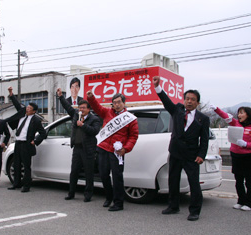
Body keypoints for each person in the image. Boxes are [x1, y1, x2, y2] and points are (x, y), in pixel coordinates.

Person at [152, 76, 210, 221]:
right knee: (173, 180)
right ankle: (173, 206)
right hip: (175, 152)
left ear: (197, 102)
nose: (189, 101)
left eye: (192, 99)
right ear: (184, 100)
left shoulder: (203, 118)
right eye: (187, 98)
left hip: (191, 155)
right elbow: (166, 102)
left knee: (194, 183)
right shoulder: (177, 110)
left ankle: (195, 210)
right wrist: (158, 87)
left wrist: (201, 155)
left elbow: (204, 139)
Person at [86, 91, 139, 211]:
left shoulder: (130, 119)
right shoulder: (107, 112)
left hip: (117, 152)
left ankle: (118, 203)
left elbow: (133, 136)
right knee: (104, 175)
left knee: (117, 177)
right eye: (114, 103)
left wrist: (126, 148)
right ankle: (109, 197)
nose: (117, 104)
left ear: (124, 103)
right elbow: (96, 107)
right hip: (104, 148)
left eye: (119, 102)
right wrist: (91, 97)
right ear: (112, 104)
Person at [57, 88, 101, 202]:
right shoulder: (76, 114)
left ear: (89, 109)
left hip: (88, 149)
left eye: (83, 108)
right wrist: (61, 96)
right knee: (74, 171)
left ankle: (88, 195)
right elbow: (68, 107)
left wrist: (83, 125)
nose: (81, 110)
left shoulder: (94, 119)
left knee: (88, 172)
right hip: (77, 148)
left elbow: (95, 131)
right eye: (80, 108)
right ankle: (71, 193)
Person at [5, 87, 47, 193]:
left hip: (26, 144)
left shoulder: (36, 120)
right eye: (27, 107)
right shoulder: (21, 115)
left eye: (29, 108)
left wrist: (35, 141)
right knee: (17, 164)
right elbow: (16, 104)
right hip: (18, 143)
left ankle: (26, 186)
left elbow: (43, 133)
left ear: (34, 111)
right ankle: (16, 184)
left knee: (26, 166)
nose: (27, 109)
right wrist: (11, 94)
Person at [211, 105, 251, 211]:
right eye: (238, 113)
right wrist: (216, 109)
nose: (239, 115)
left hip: (248, 156)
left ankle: (249, 202)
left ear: (248, 114)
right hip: (236, 155)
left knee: (249, 181)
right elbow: (225, 117)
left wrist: (246, 144)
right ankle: (240, 201)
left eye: (242, 113)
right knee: (238, 180)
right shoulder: (236, 123)